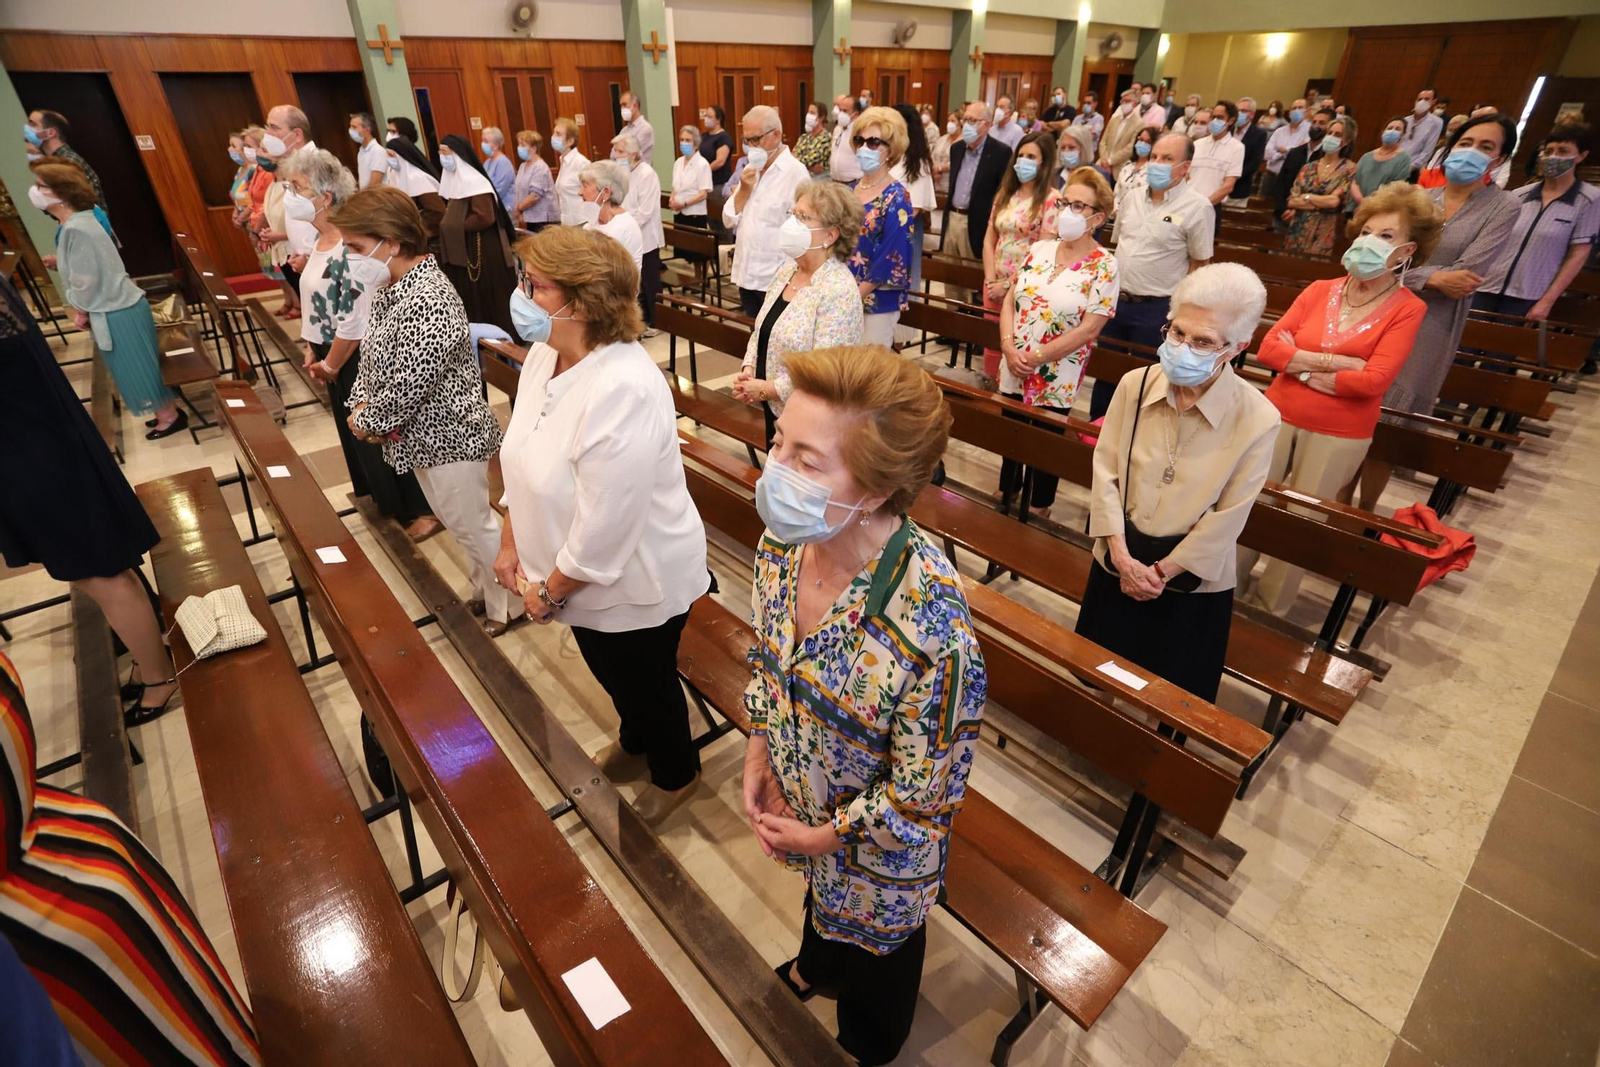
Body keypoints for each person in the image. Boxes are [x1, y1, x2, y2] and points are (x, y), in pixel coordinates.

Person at [743, 344, 984, 1067]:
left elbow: (922, 802)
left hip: (881, 858)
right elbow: (769, 659)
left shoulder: (933, 629)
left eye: (807, 461)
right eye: (779, 441)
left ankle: (869, 1038)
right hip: (805, 802)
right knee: (823, 911)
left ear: (876, 491)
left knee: (878, 960)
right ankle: (821, 963)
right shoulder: (785, 546)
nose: (776, 469)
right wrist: (761, 745)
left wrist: (825, 836)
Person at [497, 226, 709, 822]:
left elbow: (607, 522)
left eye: (534, 286)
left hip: (633, 576)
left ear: (583, 303)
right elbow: (522, 450)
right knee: (610, 670)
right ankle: (635, 739)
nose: (520, 295)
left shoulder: (625, 384)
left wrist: (551, 589)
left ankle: (675, 775)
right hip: (573, 572)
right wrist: (513, 537)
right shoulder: (545, 355)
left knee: (646, 679)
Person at [1076, 263, 1279, 700]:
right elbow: (1106, 470)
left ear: (1238, 346)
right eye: (1177, 332)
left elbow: (1230, 515)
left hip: (1189, 577)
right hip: (1120, 555)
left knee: (1169, 693)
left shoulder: (1259, 418)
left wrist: (1159, 573)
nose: (1183, 348)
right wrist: (1123, 559)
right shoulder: (1136, 384)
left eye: (1203, 341)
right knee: (1099, 671)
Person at [330, 186, 523, 635]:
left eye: (355, 247)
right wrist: (358, 403)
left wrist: (368, 420)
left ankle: (507, 605)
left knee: (473, 525)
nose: (349, 257)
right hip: (421, 438)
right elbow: (373, 361)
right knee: (459, 526)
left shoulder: (430, 297)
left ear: (391, 243)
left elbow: (409, 383)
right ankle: (483, 588)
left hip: (452, 436)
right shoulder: (389, 290)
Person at [0, 262, 186, 724]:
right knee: (99, 566)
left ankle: (160, 677)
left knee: (98, 571)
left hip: (31, 453)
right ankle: (150, 663)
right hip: (39, 442)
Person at [1244, 183, 1440, 613]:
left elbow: (1374, 380)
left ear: (1406, 252)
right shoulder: (1319, 289)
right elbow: (1269, 349)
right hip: (1275, 413)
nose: (1369, 242)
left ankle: (1269, 608)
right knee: (1248, 502)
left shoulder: (1408, 307)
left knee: (1302, 521)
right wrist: (1336, 363)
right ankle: (1226, 587)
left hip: (1339, 430)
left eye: (1385, 236)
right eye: (1366, 230)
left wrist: (1302, 362)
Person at [1361, 114, 1521, 510]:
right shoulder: (1418, 198)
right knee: (1356, 410)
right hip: (1381, 308)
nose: (1472, 152)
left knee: (1388, 427)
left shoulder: (1502, 206)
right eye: (1466, 142)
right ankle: (1332, 497)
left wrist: (1411, 273)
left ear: (1499, 160)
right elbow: (1381, 257)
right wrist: (1431, 278)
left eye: (1486, 147)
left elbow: (1469, 274)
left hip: (1431, 325)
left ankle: (1361, 511)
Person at [286, 149, 440, 543]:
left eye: (297, 187)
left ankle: (418, 507)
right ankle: (384, 499)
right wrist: (310, 346)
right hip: (327, 349)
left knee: (387, 434)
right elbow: (316, 300)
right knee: (359, 436)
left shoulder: (352, 243)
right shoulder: (320, 241)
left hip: (352, 352)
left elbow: (353, 316)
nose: (290, 194)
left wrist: (333, 364)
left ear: (324, 196)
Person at [29, 162, 183, 442]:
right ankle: (166, 411)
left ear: (60, 194)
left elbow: (88, 281)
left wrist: (79, 310)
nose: (35, 191)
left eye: (41, 186)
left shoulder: (77, 227)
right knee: (135, 365)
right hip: (115, 305)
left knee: (139, 367)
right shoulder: (76, 222)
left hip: (116, 309)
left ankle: (170, 416)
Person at [997, 167, 1118, 517]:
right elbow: (1010, 299)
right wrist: (1008, 346)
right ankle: (1008, 490)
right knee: (1011, 431)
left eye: (1079, 206)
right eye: (1066, 202)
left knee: (1045, 440)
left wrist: (1035, 357)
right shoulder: (1039, 249)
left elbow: (1090, 328)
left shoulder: (1104, 266)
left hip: (1057, 369)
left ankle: (1038, 503)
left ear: (1098, 217)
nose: (1068, 212)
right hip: (1015, 357)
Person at [733, 181, 864, 445]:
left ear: (830, 235)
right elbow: (762, 329)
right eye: (793, 214)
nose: (792, 223)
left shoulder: (838, 290)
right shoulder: (786, 272)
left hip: (813, 423)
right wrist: (749, 368)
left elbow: (823, 371)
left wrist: (766, 389)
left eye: (803, 217)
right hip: (777, 411)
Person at [1097, 133, 1215, 419]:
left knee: (1146, 381)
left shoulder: (1198, 207)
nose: (1157, 164)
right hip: (1116, 301)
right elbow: (1119, 243)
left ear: (1185, 167)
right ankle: (1097, 431)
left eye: (1167, 159)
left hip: (1156, 308)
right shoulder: (1132, 196)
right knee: (1105, 374)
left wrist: (1180, 313)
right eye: (1154, 157)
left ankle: (1135, 441)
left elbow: (1200, 263)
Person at [1473, 123, 1598, 322]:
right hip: (1485, 286)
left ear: (1581, 156)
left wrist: (1547, 301)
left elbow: (1578, 256)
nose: (1553, 156)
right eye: (1548, 151)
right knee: (1462, 349)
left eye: (1563, 151)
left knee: (1501, 352)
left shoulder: (1590, 200)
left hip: (1528, 294)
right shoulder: (1519, 195)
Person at [981, 131, 1062, 387]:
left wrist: (1008, 285)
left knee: (1017, 347)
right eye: (1021, 155)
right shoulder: (1006, 194)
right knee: (992, 346)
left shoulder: (1052, 200)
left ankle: (1009, 400)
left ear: (1044, 162)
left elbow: (1045, 249)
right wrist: (991, 279)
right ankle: (990, 397)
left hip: (1025, 288)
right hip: (993, 284)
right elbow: (988, 240)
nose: (1024, 161)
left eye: (1031, 157)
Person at [724, 105, 811, 319]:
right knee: (754, 341)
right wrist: (743, 190)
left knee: (774, 344)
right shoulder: (749, 169)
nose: (751, 146)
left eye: (756, 139)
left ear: (776, 135)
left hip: (777, 277)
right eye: (746, 141)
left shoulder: (795, 172)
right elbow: (728, 219)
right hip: (747, 272)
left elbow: (805, 230)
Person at [844, 107, 915, 346]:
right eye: (860, 140)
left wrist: (855, 295)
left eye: (874, 142)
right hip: (842, 293)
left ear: (891, 149)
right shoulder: (851, 189)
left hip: (877, 300)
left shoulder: (897, 196)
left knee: (867, 374)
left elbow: (892, 256)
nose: (865, 148)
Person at [435, 134, 519, 336]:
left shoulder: (475, 181)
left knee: (488, 295)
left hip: (482, 250)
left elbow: (485, 217)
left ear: (457, 155)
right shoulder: (455, 180)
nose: (441, 157)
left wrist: (453, 226)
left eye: (445, 152)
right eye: (440, 152)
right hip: (467, 247)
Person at [941, 101, 1012, 306]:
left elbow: (1002, 192)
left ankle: (972, 323)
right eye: (965, 120)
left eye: (973, 120)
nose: (966, 125)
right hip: (953, 216)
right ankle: (952, 324)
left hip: (977, 221)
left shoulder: (1000, 152)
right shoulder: (956, 149)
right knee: (951, 275)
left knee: (972, 277)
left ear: (987, 124)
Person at [1283, 115, 1358, 256]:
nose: (1332, 136)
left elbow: (1334, 202)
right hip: (1298, 228)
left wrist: (1306, 196)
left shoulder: (1349, 168)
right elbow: (1293, 200)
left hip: (1324, 230)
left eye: (1338, 134)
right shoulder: (1309, 167)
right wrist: (1321, 201)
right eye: (1330, 133)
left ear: (1346, 141)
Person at [613, 132, 664, 331]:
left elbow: (646, 210)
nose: (616, 155)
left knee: (650, 281)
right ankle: (642, 321)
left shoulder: (646, 173)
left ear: (633, 153)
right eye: (615, 151)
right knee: (636, 282)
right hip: (630, 236)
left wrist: (627, 226)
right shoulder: (624, 173)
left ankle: (657, 322)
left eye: (620, 151)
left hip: (646, 236)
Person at [890, 103, 936, 301]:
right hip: (882, 228)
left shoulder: (918, 161)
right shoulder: (887, 154)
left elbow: (914, 209)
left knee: (902, 286)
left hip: (903, 229)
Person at [24, 108, 105, 213]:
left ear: (50, 133)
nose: (27, 128)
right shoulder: (56, 161)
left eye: (32, 124)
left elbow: (80, 206)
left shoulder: (67, 163)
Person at [1273, 107, 1335, 233]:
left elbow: (1323, 192)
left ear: (1330, 128)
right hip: (1283, 215)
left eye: (1321, 123)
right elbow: (1281, 183)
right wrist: (1284, 209)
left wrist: (1297, 210)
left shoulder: (1328, 156)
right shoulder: (1295, 153)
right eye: (1314, 122)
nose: (1316, 125)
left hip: (1310, 218)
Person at [383, 135, 446, 251]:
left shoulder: (419, 178)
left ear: (402, 156)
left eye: (391, 155)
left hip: (427, 240)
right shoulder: (394, 175)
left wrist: (409, 224)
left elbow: (437, 212)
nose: (388, 159)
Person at [1190, 101, 1245, 218]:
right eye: (1213, 117)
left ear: (1230, 120)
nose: (1215, 121)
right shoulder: (1197, 144)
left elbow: (1228, 185)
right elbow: (1186, 176)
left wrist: (1204, 205)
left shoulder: (1237, 147)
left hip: (1211, 207)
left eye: (1219, 117)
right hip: (1188, 204)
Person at [1350, 117, 1415, 214]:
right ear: (1383, 132)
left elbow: (1395, 187)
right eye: (1390, 128)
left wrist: (1369, 204)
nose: (1392, 131)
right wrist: (1361, 201)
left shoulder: (1404, 158)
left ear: (1403, 135)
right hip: (1356, 207)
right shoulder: (1367, 156)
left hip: (1380, 209)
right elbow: (1354, 182)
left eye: (1397, 129)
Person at [511, 129, 558, 234]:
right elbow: (517, 189)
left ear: (533, 148)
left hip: (543, 220)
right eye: (519, 145)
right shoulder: (523, 166)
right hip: (529, 218)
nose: (519, 148)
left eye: (523, 145)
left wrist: (519, 209)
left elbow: (535, 196)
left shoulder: (540, 167)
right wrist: (517, 210)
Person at [1226, 97, 1267, 205]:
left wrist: (1231, 176)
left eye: (1243, 111)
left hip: (1239, 188)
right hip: (1217, 185)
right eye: (1237, 110)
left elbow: (1254, 163)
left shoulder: (1259, 134)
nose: (1239, 113)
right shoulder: (1227, 129)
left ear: (1252, 114)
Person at [551, 117, 591, 226]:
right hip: (568, 223)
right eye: (554, 133)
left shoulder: (581, 163)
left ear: (570, 141)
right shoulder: (562, 161)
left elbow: (593, 194)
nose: (553, 137)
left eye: (558, 134)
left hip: (582, 222)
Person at [1096, 88, 1143, 179]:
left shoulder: (1139, 123)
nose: (1124, 103)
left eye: (1127, 101)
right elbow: (1103, 142)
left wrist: (1110, 161)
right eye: (1123, 101)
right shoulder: (1114, 120)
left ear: (1135, 103)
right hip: (1102, 163)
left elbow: (1130, 148)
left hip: (1120, 167)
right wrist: (1105, 160)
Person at [1401, 89, 1445, 176]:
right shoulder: (1406, 120)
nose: (1421, 102)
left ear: (1433, 102)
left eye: (1426, 99)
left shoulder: (1436, 122)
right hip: (1397, 163)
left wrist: (1410, 167)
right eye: (1419, 99)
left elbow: (1427, 151)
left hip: (1412, 169)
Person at [1113, 126, 1156, 211]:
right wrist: (1116, 209)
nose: (1143, 144)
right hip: (1118, 214)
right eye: (1141, 140)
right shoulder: (1127, 166)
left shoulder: (1153, 170)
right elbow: (1117, 192)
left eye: (1148, 142)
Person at [478, 126, 517, 214]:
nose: (483, 144)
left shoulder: (503, 163)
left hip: (505, 210)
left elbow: (500, 189)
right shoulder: (487, 162)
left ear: (496, 145)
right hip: (492, 209)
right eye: (482, 141)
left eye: (486, 141)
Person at [699, 105, 735, 188]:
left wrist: (704, 171)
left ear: (718, 120)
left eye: (710, 117)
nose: (706, 119)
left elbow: (720, 162)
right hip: (705, 181)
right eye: (706, 116)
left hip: (718, 183)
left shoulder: (723, 138)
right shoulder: (704, 136)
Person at [830, 93, 863, 183]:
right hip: (835, 182)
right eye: (840, 110)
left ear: (856, 114)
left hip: (853, 182)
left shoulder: (861, 131)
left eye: (845, 111)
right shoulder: (837, 129)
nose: (841, 114)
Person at [794, 101, 833, 175]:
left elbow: (811, 159)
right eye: (808, 112)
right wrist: (810, 167)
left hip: (819, 180)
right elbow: (793, 155)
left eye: (812, 113)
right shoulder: (804, 137)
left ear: (821, 117)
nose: (808, 115)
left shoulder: (826, 138)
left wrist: (796, 159)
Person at [349, 111, 387, 188]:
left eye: (354, 127)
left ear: (367, 130)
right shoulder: (361, 152)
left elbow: (375, 183)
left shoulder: (378, 151)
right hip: (366, 197)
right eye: (350, 126)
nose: (350, 130)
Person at [228, 130, 255, 231]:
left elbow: (257, 200)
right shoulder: (240, 170)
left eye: (233, 146)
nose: (229, 149)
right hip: (247, 224)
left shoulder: (253, 170)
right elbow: (237, 197)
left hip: (257, 222)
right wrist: (236, 212)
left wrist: (242, 217)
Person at [617, 90, 654, 161]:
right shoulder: (624, 130)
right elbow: (613, 154)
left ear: (635, 105)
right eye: (621, 106)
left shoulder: (645, 128)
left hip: (639, 171)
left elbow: (631, 152)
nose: (622, 109)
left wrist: (621, 151)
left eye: (624, 105)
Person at [930, 110, 959, 194]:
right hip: (937, 182)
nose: (949, 123)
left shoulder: (963, 141)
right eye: (948, 121)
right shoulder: (943, 138)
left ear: (960, 123)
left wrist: (940, 168)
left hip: (951, 182)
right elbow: (933, 155)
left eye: (953, 121)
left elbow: (957, 161)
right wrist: (934, 170)